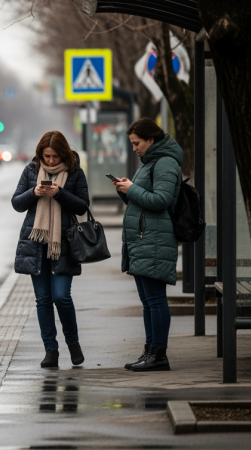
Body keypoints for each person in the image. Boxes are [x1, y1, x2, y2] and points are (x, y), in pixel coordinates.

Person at [12, 131, 90, 368]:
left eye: (56, 156)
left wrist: (60, 193)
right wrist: (34, 193)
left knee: (61, 296)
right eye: (47, 156)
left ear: (64, 153)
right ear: (40, 155)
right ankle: (51, 350)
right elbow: (16, 203)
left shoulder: (75, 172)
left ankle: (73, 344)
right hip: (36, 244)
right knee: (43, 299)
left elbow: (82, 206)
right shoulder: (31, 171)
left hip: (64, 244)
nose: (51, 161)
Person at [114, 118, 182, 372]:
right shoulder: (150, 163)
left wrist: (132, 189)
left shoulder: (165, 163)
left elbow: (161, 200)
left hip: (154, 240)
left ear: (151, 140)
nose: (134, 148)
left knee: (155, 300)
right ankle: (149, 351)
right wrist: (126, 190)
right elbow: (142, 200)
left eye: (136, 143)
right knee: (147, 300)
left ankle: (159, 354)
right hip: (143, 239)